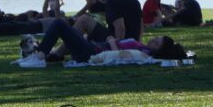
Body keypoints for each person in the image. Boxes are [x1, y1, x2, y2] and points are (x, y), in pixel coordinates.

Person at [20, 18, 189, 66]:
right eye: (156, 38)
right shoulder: (143, 47)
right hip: (95, 48)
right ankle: (42, 54)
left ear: (158, 50)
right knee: (68, 25)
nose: (153, 40)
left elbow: (118, 56)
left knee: (59, 24)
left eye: (156, 42)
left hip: (93, 53)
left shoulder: (144, 53)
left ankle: (40, 55)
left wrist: (112, 41)